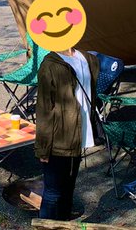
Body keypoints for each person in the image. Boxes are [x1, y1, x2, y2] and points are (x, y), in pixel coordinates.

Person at [34, 46, 100, 221]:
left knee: (68, 189)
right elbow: (44, 110)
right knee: (53, 193)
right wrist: (43, 148)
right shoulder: (49, 65)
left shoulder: (88, 58)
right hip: (58, 139)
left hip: (80, 135)